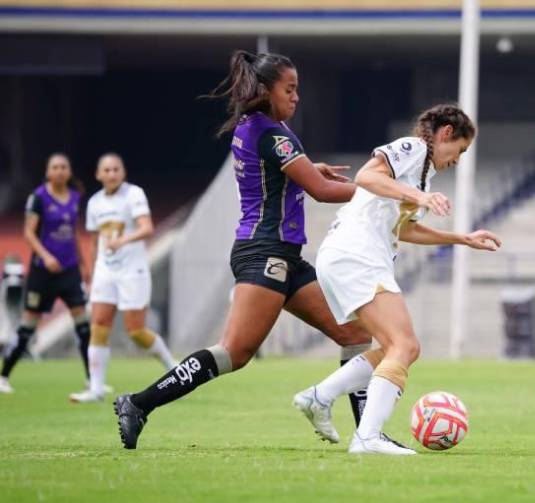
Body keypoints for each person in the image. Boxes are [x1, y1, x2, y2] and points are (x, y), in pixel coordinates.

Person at [113, 50, 376, 449]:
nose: (296, 97)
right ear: (266, 89)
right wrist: (382, 194)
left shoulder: (254, 126)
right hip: (264, 253)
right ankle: (137, 403)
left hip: (283, 254)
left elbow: (278, 174)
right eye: (290, 89)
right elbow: (321, 192)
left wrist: (307, 169)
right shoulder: (272, 133)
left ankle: (367, 436)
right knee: (234, 353)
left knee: (356, 333)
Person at [293, 103, 502, 455]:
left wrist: (461, 238)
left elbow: (406, 230)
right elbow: (366, 177)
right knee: (404, 346)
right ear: (446, 134)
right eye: (460, 150)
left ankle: (319, 397)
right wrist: (420, 196)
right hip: (356, 254)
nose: (458, 159)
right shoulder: (413, 147)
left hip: (355, 257)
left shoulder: (422, 174)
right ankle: (367, 438)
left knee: (401, 347)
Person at [68, 153, 177, 403]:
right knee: (98, 326)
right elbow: (95, 241)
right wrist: (94, 272)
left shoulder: (134, 194)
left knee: (136, 331)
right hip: (106, 271)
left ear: (123, 172)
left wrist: (122, 241)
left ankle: (173, 365)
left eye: (116, 169)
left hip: (132, 270)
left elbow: (146, 228)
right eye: (106, 170)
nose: (111, 174)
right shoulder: (95, 202)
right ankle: (96, 389)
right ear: (98, 174)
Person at [0, 153, 92, 394]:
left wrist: (84, 264)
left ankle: (93, 379)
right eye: (55, 167)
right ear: (48, 171)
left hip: (69, 271)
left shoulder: (74, 197)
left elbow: (72, 233)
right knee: (28, 326)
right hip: (43, 272)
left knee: (83, 324)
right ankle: (3, 375)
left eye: (64, 167)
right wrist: (47, 256)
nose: (60, 171)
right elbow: (29, 233)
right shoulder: (38, 198)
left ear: (69, 171)